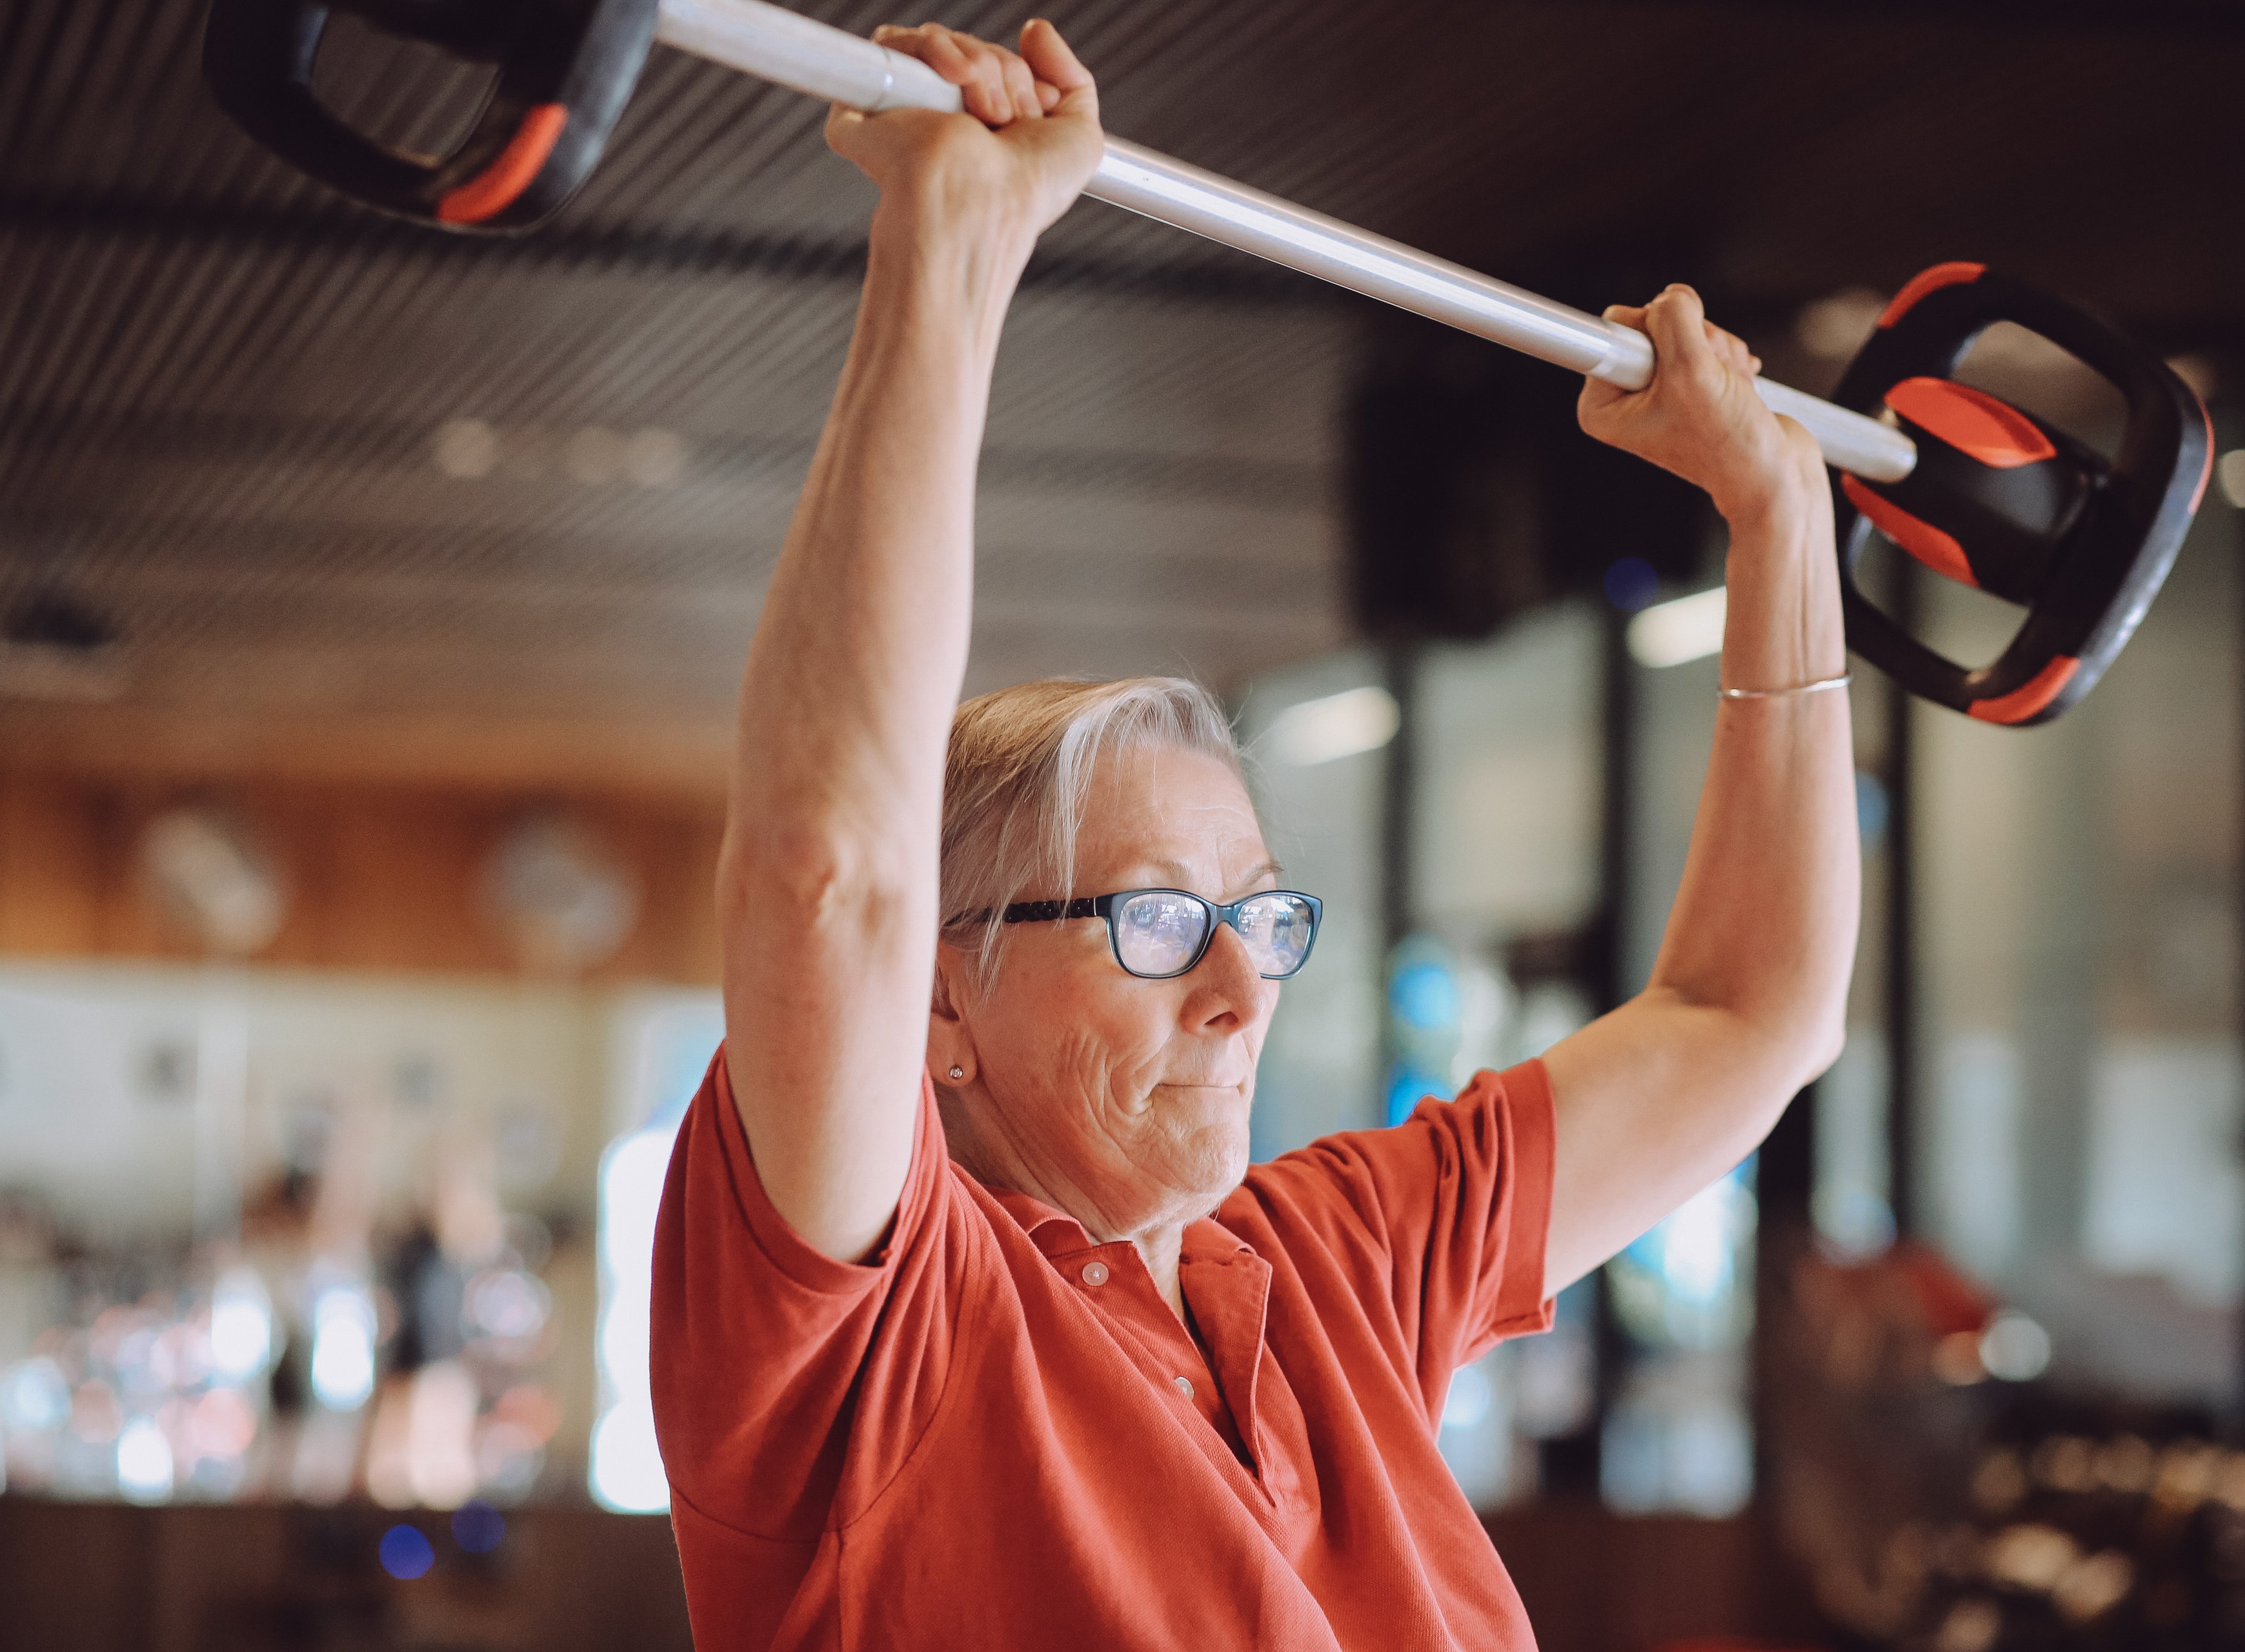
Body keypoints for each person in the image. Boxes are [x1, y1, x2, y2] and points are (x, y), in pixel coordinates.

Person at [650, 19, 1857, 1650]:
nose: (1241, 993)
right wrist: (951, 245)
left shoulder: (1328, 1263)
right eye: (1154, 922)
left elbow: (1749, 1015)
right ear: (939, 1001)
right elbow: (829, 872)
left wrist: (1781, 523)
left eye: (1262, 917)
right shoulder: (884, 1322)